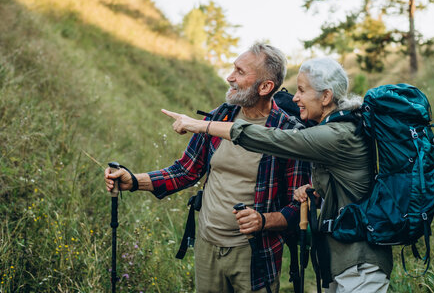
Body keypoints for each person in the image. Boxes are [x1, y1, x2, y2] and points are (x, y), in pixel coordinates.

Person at [166, 57, 393, 293]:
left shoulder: (338, 134)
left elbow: (274, 138)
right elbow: (347, 184)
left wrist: (201, 125)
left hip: (361, 264)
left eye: (302, 91)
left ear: (325, 97)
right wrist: (315, 192)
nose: (294, 98)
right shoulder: (338, 127)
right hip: (342, 259)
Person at [104, 42, 311, 293]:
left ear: (266, 86)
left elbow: (301, 205)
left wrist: (263, 220)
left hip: (255, 253)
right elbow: (185, 171)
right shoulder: (219, 117)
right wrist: (134, 181)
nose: (230, 77)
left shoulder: (289, 133)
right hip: (207, 245)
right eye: (233, 68)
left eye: (240, 72)